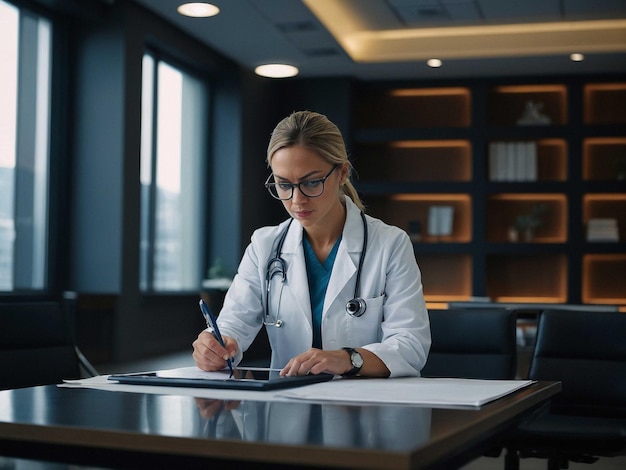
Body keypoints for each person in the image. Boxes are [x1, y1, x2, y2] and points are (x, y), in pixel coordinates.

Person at [192, 110, 430, 378]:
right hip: (286, 407)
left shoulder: (390, 244)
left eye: (311, 182)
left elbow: (411, 346)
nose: (297, 200)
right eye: (284, 185)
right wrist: (217, 346)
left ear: (342, 173)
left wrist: (348, 359)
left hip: (365, 407)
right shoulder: (264, 245)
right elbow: (233, 324)